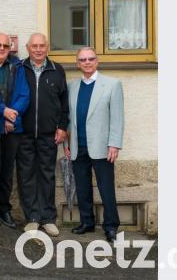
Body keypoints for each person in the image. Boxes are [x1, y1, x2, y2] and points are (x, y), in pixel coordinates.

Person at [66, 47, 124, 243]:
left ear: (97, 61)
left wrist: (114, 144)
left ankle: (111, 226)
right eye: (83, 60)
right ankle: (87, 222)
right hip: (78, 146)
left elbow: (117, 118)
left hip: (102, 147)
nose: (87, 62)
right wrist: (68, 142)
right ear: (78, 64)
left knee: (106, 187)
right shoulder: (72, 86)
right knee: (82, 188)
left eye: (91, 59)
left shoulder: (112, 84)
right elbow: (69, 119)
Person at [18, 33, 69, 236]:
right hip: (24, 134)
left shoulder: (57, 70)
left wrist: (62, 126)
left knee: (47, 175)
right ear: (27, 47)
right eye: (34, 46)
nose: (38, 49)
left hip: (49, 134)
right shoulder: (19, 68)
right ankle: (32, 217)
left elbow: (64, 104)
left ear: (47, 47)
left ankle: (48, 218)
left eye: (42, 46)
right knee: (26, 175)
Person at [0, 33, 29, 229]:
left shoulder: (17, 66)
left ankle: (4, 208)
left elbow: (24, 94)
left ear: (10, 48)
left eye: (5, 45)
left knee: (7, 171)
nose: (1, 48)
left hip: (13, 126)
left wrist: (13, 115)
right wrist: (4, 112)